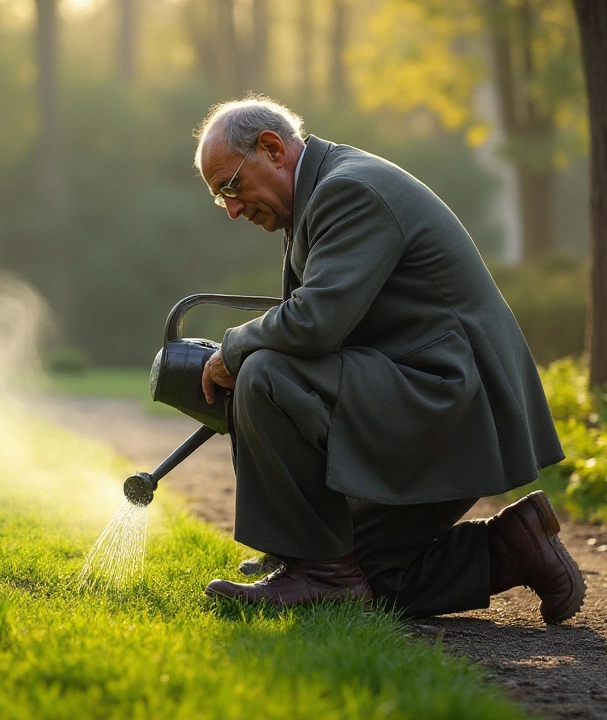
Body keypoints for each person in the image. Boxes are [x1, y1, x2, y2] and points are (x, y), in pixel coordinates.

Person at [194, 96, 584, 623]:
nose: (234, 208)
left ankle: (319, 571)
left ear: (272, 149)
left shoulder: (348, 191)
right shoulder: (324, 190)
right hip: (429, 400)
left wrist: (233, 349)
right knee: (367, 580)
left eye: (230, 187)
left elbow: (313, 323)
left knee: (264, 372)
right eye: (222, 199)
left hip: (450, 405)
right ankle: (515, 545)